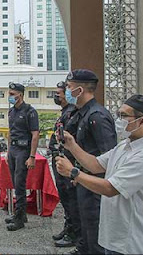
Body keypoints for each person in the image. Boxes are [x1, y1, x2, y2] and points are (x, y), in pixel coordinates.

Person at [56, 95, 143, 255]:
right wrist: (72, 145)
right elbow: (95, 164)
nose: (118, 120)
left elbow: (110, 188)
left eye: (123, 116)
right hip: (115, 237)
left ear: (142, 121)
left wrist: (73, 173)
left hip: (134, 242)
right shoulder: (125, 145)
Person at [63, 69, 116, 254]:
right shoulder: (83, 113)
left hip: (94, 185)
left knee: (95, 235)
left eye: (69, 87)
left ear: (79, 90)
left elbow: (109, 157)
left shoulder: (97, 116)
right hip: (83, 179)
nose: (67, 91)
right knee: (86, 231)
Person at [5, 82, 40, 231]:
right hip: (13, 149)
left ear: (20, 94)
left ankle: (19, 218)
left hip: (23, 149)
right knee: (15, 182)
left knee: (20, 183)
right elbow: (10, 132)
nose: (10, 96)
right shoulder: (11, 112)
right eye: (10, 94)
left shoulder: (30, 111)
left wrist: (32, 156)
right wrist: (7, 152)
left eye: (13, 94)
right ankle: (21, 214)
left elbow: (35, 134)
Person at [48, 81, 78, 248]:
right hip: (59, 160)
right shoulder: (64, 113)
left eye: (60, 92)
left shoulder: (73, 113)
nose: (56, 95)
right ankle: (68, 228)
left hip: (68, 162)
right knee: (65, 199)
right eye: (56, 92)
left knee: (71, 199)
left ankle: (73, 233)